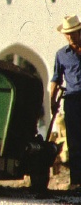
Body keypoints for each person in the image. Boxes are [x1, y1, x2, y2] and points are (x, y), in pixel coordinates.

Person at [51, 14, 81, 190]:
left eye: (73, 33)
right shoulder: (61, 55)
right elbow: (56, 79)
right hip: (72, 101)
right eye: (67, 34)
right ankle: (77, 181)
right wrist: (52, 100)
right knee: (75, 142)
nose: (70, 37)